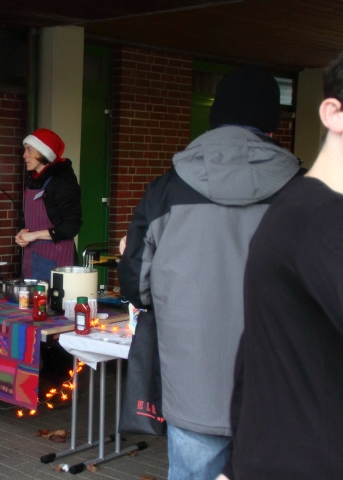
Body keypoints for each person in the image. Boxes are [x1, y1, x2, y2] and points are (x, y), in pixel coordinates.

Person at [118, 65, 302, 480]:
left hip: (192, 386)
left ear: (214, 117)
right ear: (273, 123)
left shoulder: (165, 190)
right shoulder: (307, 192)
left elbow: (136, 287)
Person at [219, 53, 343, 480]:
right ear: (334, 114)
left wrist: (233, 466)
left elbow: (257, 354)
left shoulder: (296, 208)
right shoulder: (319, 219)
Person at [15, 128, 81, 280]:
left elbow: (72, 226)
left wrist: (35, 235)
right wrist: (24, 232)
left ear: (42, 152)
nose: (24, 155)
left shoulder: (63, 182)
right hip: (32, 259)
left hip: (59, 261)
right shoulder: (34, 180)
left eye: (29, 150)